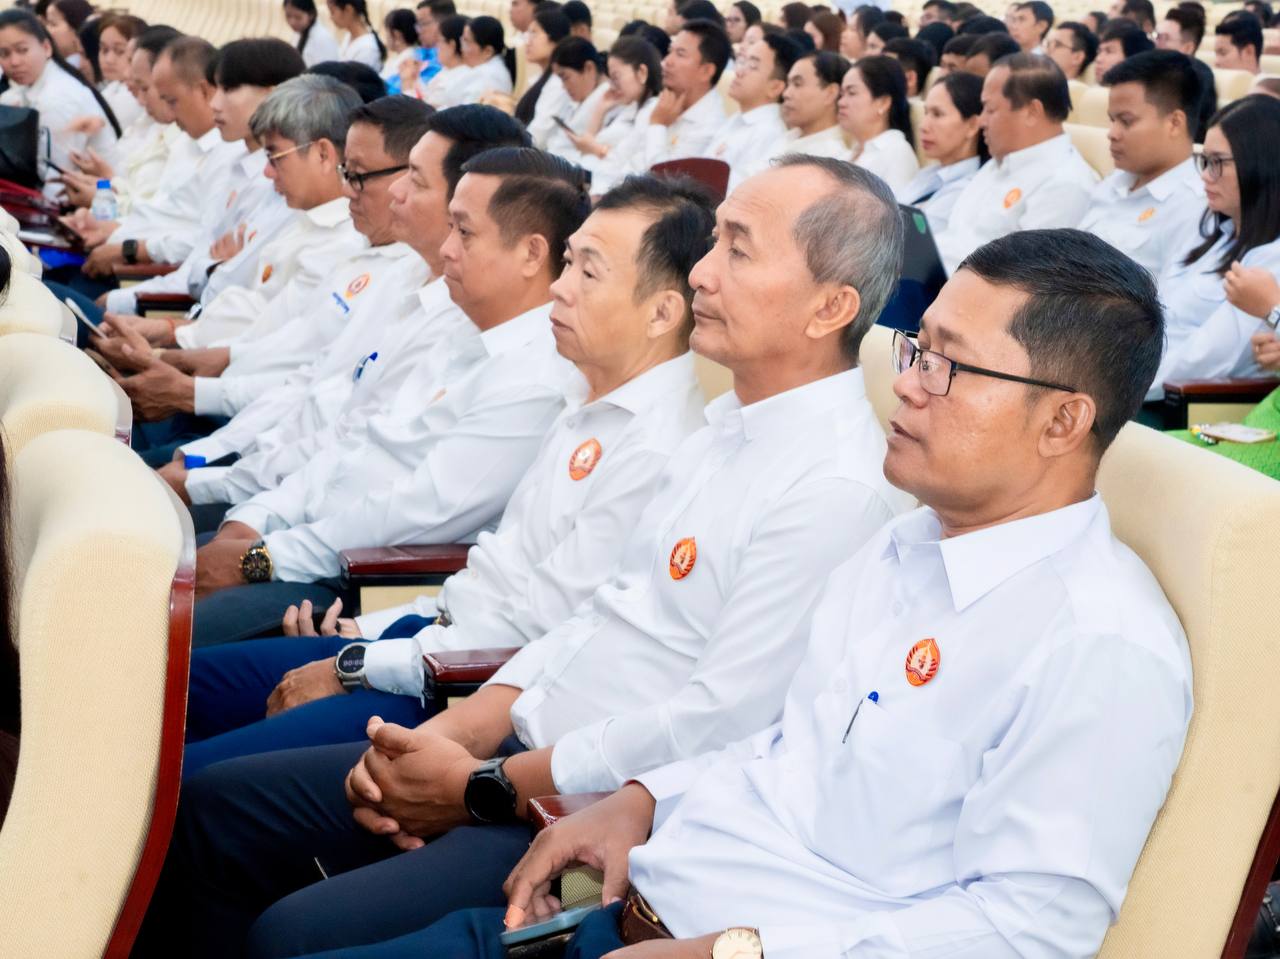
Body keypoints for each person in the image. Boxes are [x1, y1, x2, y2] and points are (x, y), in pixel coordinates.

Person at [305, 230, 1193, 959]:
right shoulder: (906, 545)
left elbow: (1025, 932)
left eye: (947, 367)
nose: (907, 384)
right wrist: (640, 800)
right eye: (917, 349)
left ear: (1063, 419)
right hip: (619, 905)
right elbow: (785, 749)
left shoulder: (1099, 641)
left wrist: (734, 952)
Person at [139, 155, 912, 959]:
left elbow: (711, 728)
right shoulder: (724, 433)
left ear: (831, 306)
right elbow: (588, 617)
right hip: (506, 741)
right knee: (212, 808)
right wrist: (457, 735)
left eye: (739, 250)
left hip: (578, 816)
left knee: (286, 928)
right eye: (713, 243)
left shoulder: (832, 490)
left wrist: (479, 785)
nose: (703, 274)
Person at [181, 173, 715, 774]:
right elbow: (485, 574)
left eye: (587, 274)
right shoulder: (584, 398)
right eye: (568, 265)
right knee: (180, 688)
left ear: (662, 312)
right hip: (422, 633)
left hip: (457, 687)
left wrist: (354, 660)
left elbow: (533, 625)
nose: (559, 289)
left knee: (203, 782)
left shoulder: (650, 445)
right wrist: (367, 631)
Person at [188, 150, 589, 645]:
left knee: (163, 641)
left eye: (464, 233)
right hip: (298, 541)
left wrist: (263, 558)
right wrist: (257, 520)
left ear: (531, 254)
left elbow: (417, 512)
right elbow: (349, 442)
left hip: (349, 581)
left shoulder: (533, 379)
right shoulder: (462, 333)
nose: (446, 249)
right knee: (143, 564)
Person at [170, 104, 531, 546]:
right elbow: (318, 394)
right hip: (274, 483)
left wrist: (258, 537)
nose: (395, 192)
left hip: (322, 532)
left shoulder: (470, 324)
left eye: (415, 180)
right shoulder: (400, 275)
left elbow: (385, 485)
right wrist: (214, 473)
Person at [103, 95, 425, 461]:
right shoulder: (359, 245)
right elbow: (284, 347)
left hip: (247, 431)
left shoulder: (379, 263)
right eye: (346, 173)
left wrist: (187, 383)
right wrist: (172, 359)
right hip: (230, 412)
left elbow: (315, 398)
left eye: (357, 175)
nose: (347, 188)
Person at [92, 39, 306, 324]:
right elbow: (200, 266)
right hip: (174, 304)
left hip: (184, 315)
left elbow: (219, 284)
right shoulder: (231, 160)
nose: (215, 103)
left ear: (273, 95)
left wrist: (126, 297)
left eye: (228, 90)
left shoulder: (279, 183)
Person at [59, 37, 244, 293]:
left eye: (171, 100)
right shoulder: (186, 142)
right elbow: (158, 212)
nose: (167, 111)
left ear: (204, 91)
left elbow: (200, 243)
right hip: (126, 259)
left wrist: (129, 249)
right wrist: (108, 228)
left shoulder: (229, 156)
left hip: (146, 278)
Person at [1149, 96, 1280, 398]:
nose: (1205, 176)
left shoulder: (1271, 260)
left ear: (1261, 166)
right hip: (1135, 371)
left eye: (1217, 163)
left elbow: (1204, 361)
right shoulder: (1214, 228)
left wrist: (1112, 387)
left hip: (1170, 399)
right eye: (1204, 161)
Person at [936, 53, 1097, 274]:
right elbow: (954, 236)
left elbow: (1027, 281)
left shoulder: (1065, 185)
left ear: (1032, 112)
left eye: (990, 109)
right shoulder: (997, 163)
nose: (981, 121)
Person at [1078, 51, 1204, 279]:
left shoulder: (1195, 207)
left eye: (1126, 121)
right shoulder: (1114, 182)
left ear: (1174, 123)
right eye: (1112, 120)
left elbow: (1172, 299)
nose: (1112, 133)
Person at [0, 9, 120, 199]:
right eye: (4, 54)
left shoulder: (57, 98)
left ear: (47, 48)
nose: (14, 62)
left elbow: (55, 184)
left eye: (22, 50)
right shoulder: (31, 87)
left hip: (105, 198)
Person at [563, 36, 663, 194]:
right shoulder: (631, 108)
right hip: (592, 181)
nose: (612, 86)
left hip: (605, 189)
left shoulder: (651, 111)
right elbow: (590, 143)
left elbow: (624, 165)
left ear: (642, 72)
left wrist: (597, 150)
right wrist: (601, 108)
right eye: (610, 79)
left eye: (616, 77)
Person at [897, 70, 986, 235]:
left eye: (937, 114)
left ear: (972, 125)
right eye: (926, 113)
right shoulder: (928, 175)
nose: (923, 126)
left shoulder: (969, 190)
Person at [706, 34, 798, 191]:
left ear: (775, 87)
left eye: (753, 66)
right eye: (743, 62)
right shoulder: (737, 119)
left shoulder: (770, 133)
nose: (739, 72)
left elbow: (735, 193)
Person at [636, 20, 729, 170]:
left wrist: (657, 125)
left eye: (680, 54)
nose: (666, 61)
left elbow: (662, 177)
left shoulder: (710, 128)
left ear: (706, 71)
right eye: (670, 51)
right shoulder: (661, 101)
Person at [840, 55, 920, 191]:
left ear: (883, 102)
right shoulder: (849, 153)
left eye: (852, 93)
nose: (841, 102)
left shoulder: (897, 153)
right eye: (841, 94)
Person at [772, 50, 849, 160]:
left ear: (830, 93)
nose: (786, 94)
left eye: (797, 84)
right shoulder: (786, 137)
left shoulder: (831, 158)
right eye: (788, 84)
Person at [513, 7, 573, 148]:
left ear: (555, 39)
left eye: (534, 33)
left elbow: (537, 139)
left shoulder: (559, 84)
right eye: (528, 34)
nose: (528, 41)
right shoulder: (542, 77)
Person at [544, 39, 610, 163]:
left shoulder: (604, 99)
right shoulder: (588, 98)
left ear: (589, 68)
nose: (564, 87)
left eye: (565, 77)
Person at [1154, 7, 1215, 140]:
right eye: (1157, 37)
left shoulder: (1198, 76)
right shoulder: (1153, 70)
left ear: (1187, 47)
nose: (1157, 44)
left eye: (1165, 39)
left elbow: (1190, 130)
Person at [90, 12, 146, 132]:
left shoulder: (132, 96)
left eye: (120, 51)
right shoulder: (113, 86)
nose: (108, 60)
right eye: (104, 50)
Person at [412, 12, 469, 106]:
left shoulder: (460, 79)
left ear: (451, 45)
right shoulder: (447, 70)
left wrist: (407, 85)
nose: (436, 46)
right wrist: (414, 77)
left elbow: (426, 110)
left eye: (439, 41)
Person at [452, 15, 513, 102]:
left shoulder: (490, 77)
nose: (462, 49)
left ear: (487, 51)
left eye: (467, 42)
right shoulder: (484, 70)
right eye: (462, 41)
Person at [330, 0, 387, 70]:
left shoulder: (367, 49)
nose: (331, 17)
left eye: (332, 12)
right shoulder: (348, 36)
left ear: (348, 10)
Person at [283, 0, 341, 67]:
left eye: (298, 17)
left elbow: (327, 70)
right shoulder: (298, 34)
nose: (292, 22)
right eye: (288, 16)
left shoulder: (323, 39)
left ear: (311, 15)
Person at [380, 8, 421, 86]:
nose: (386, 37)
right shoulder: (413, 54)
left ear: (396, 34)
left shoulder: (405, 62)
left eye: (387, 32)